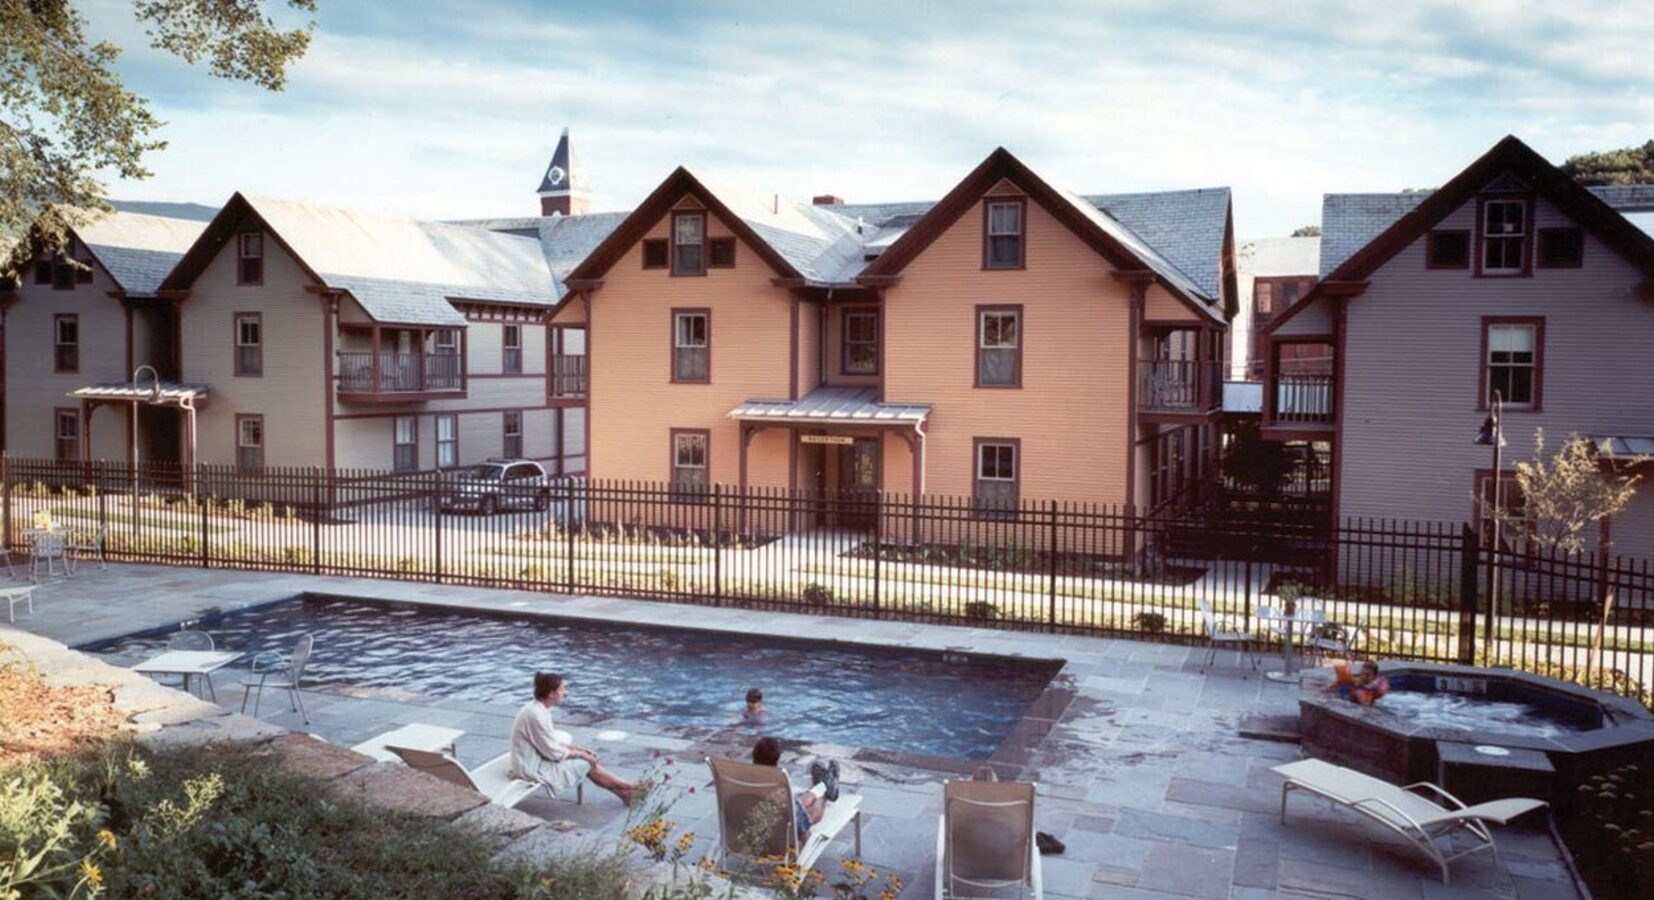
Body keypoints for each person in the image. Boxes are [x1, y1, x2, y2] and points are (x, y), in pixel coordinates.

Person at [510, 672, 635, 805]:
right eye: (562, 689)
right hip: (532, 767)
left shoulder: (539, 709)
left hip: (537, 757)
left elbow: (549, 740)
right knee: (587, 763)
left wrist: (578, 749)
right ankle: (628, 786)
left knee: (584, 756)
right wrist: (581, 754)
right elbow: (553, 752)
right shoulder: (535, 715)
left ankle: (625, 793)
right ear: (551, 693)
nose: (564, 693)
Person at [750, 736, 838, 841]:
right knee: (814, 810)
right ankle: (825, 791)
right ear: (777, 761)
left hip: (758, 823)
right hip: (780, 829)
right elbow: (800, 814)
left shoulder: (743, 781)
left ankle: (819, 787)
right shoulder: (778, 784)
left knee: (799, 800)